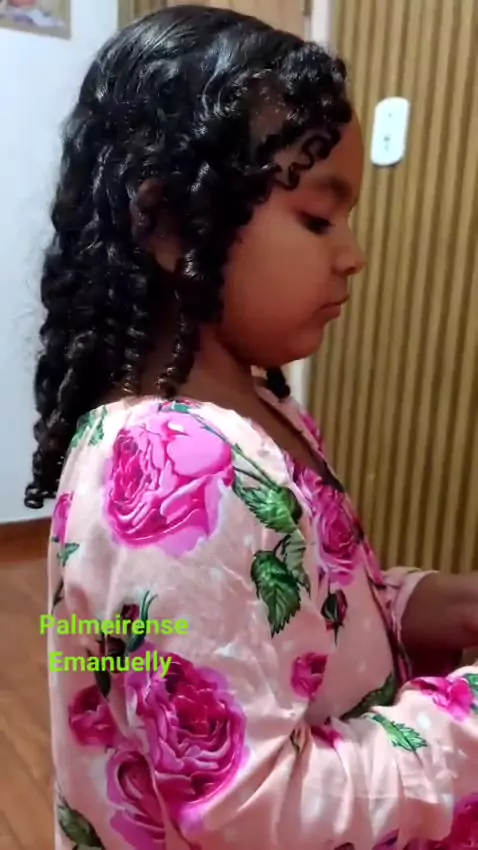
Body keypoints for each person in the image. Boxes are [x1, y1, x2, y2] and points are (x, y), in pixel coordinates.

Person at [25, 6, 478, 849]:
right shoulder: (177, 468)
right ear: (168, 224)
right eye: (318, 218)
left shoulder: (257, 411)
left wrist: (430, 606)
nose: (354, 255)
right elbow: (256, 813)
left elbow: (295, 620)